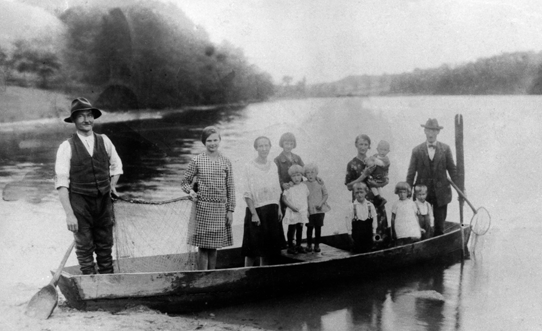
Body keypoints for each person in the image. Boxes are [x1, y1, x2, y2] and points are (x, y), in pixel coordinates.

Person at [55, 97, 123, 275]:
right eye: (81, 117)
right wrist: (70, 215)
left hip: (103, 203)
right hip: (80, 204)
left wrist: (112, 186)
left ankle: (107, 284)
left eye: (90, 115)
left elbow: (117, 167)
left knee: (105, 245)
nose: (87, 120)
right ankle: (89, 286)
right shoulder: (66, 147)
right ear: (74, 121)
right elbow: (62, 185)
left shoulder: (104, 140)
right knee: (84, 247)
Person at [181, 126, 235, 270]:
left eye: (215, 140)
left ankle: (212, 276)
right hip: (203, 208)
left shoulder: (226, 161)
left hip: (219, 209)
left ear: (219, 140)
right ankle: (202, 277)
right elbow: (184, 182)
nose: (212, 143)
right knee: (203, 247)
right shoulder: (197, 160)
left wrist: (230, 210)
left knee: (214, 247)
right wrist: (191, 191)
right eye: (209, 140)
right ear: (204, 142)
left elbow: (231, 187)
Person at [406, 118, 458, 236]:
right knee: (422, 227)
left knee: (439, 227)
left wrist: (461, 188)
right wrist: (408, 192)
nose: (431, 134)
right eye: (428, 130)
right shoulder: (417, 150)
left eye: (433, 131)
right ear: (424, 131)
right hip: (422, 194)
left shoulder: (445, 149)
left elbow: (453, 170)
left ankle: (438, 246)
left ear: (438, 132)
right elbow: (411, 173)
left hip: (441, 194)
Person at [241, 136, 283, 266]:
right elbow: (247, 192)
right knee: (252, 249)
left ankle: (263, 276)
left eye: (266, 145)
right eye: (261, 146)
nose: (264, 149)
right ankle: (246, 275)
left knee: (268, 250)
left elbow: (277, 189)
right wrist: (253, 213)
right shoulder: (249, 166)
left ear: (270, 147)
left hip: (272, 209)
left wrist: (279, 208)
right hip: (257, 210)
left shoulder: (273, 165)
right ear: (256, 148)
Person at [345, 134, 389, 242]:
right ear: (356, 145)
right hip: (360, 201)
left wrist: (376, 184)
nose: (363, 147)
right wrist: (364, 175)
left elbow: (386, 179)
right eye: (361, 144)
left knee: (379, 227)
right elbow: (349, 186)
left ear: (369, 146)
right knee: (362, 231)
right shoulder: (351, 164)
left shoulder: (375, 160)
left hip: (376, 199)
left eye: (366, 144)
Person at [281, 164, 310, 254]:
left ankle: (298, 245)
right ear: (290, 177)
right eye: (293, 176)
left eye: (298, 175)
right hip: (292, 212)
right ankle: (290, 246)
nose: (296, 178)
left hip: (301, 211)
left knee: (300, 228)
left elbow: (306, 197)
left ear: (302, 175)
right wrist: (292, 207)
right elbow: (284, 199)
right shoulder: (289, 187)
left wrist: (307, 210)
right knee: (292, 228)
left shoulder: (304, 186)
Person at [304, 163, 330, 253]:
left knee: (318, 228)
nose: (310, 174)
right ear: (305, 174)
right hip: (309, 210)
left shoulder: (320, 183)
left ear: (316, 173)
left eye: (312, 172)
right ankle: (308, 244)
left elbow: (326, 194)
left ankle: (317, 245)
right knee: (309, 228)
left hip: (319, 209)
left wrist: (321, 203)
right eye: (307, 172)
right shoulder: (304, 184)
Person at [348, 182, 378, 254]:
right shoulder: (351, 207)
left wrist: (374, 232)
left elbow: (374, 219)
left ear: (366, 192)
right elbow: (348, 220)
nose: (359, 195)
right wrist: (349, 233)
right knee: (357, 251)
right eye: (357, 193)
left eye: (361, 192)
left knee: (369, 251)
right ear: (354, 194)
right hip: (357, 234)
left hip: (368, 233)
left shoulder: (370, 205)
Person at [391, 182, 422, 246]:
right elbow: (393, 218)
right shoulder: (396, 204)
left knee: (411, 241)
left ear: (408, 192)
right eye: (400, 192)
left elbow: (416, 216)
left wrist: (419, 227)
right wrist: (392, 230)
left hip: (410, 226)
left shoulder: (412, 203)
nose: (402, 194)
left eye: (404, 192)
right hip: (400, 226)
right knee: (401, 241)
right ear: (397, 192)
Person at [365, 140, 391, 207]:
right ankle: (380, 198)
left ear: (388, 151)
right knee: (375, 186)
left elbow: (381, 164)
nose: (382, 152)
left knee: (373, 185)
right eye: (381, 149)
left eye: (385, 150)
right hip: (375, 176)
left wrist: (374, 159)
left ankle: (378, 197)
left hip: (381, 177)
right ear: (377, 149)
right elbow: (370, 162)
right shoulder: (375, 155)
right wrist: (368, 160)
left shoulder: (386, 159)